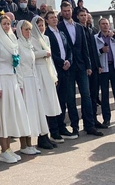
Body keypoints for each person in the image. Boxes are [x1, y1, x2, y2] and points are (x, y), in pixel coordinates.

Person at [59, 2, 103, 137]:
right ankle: (75, 126)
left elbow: (85, 48)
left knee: (87, 96)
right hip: (68, 68)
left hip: (82, 66)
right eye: (64, 11)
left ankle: (89, 125)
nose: (67, 13)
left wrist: (89, 65)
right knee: (70, 98)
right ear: (61, 12)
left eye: (68, 10)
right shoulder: (59, 27)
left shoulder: (79, 27)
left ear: (72, 11)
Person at [0, 15, 31, 163]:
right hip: (2, 80)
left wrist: (19, 83)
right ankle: (4, 149)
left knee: (12, 115)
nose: (7, 26)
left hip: (12, 80)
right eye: (4, 24)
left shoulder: (13, 41)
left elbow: (17, 64)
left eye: (9, 24)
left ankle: (9, 148)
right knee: (4, 115)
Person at [16, 20, 50, 154]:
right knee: (25, 113)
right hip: (24, 81)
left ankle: (30, 143)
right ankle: (23, 145)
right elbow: (17, 66)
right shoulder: (17, 44)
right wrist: (20, 84)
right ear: (20, 30)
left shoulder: (29, 44)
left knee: (32, 113)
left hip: (32, 82)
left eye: (30, 30)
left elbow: (33, 64)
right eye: (26, 30)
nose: (28, 32)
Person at [30, 16, 61, 148]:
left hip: (47, 72)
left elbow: (50, 59)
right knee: (43, 105)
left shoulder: (46, 38)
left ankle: (49, 134)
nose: (41, 28)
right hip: (39, 71)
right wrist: (43, 52)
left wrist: (54, 75)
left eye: (43, 25)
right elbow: (32, 55)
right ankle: (42, 137)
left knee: (50, 104)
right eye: (39, 26)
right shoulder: (31, 39)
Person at [44, 10, 74, 141]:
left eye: (55, 17)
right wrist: (62, 62)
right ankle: (54, 129)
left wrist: (68, 60)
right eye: (51, 18)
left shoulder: (62, 33)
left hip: (66, 69)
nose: (54, 19)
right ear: (47, 20)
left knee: (63, 100)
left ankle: (62, 127)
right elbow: (50, 53)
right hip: (55, 69)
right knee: (54, 100)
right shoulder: (46, 34)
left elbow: (68, 49)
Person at [77, 8, 103, 127]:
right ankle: (88, 121)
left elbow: (94, 49)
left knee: (94, 94)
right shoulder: (78, 29)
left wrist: (98, 65)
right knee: (86, 95)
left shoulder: (91, 30)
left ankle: (94, 118)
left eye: (85, 15)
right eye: (81, 15)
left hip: (94, 65)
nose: (84, 17)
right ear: (77, 17)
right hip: (84, 67)